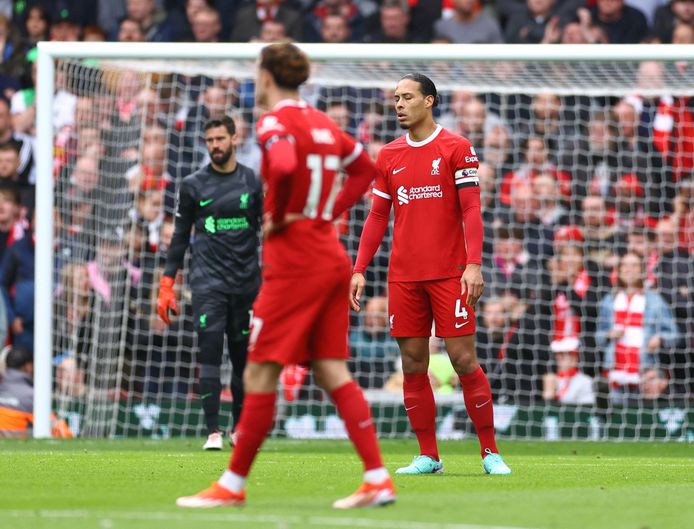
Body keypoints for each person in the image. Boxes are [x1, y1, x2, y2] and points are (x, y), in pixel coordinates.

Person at [176, 42, 395, 509]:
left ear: (269, 75)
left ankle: (232, 485)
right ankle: (377, 477)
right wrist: (326, 212)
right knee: (331, 369)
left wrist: (279, 212)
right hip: (328, 253)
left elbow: (284, 164)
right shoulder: (322, 121)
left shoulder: (274, 121)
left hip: (295, 261)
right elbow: (365, 168)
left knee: (259, 371)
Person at [351, 73, 511, 476]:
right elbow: (376, 216)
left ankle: (490, 452)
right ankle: (428, 456)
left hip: (450, 274)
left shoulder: (457, 147)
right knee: (412, 363)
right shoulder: (388, 154)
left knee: (462, 359)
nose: (399, 104)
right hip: (404, 277)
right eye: (395, 98)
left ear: (430, 101)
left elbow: (472, 210)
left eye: (407, 97)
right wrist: (358, 269)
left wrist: (473, 263)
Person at [157, 116, 263, 451]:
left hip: (247, 283)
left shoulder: (252, 181)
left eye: (220, 139)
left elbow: (269, 232)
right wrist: (166, 283)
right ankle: (213, 431)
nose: (215, 145)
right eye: (209, 140)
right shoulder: (192, 184)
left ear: (235, 138)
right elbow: (179, 236)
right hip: (207, 283)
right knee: (209, 354)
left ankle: (239, 428)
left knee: (242, 357)